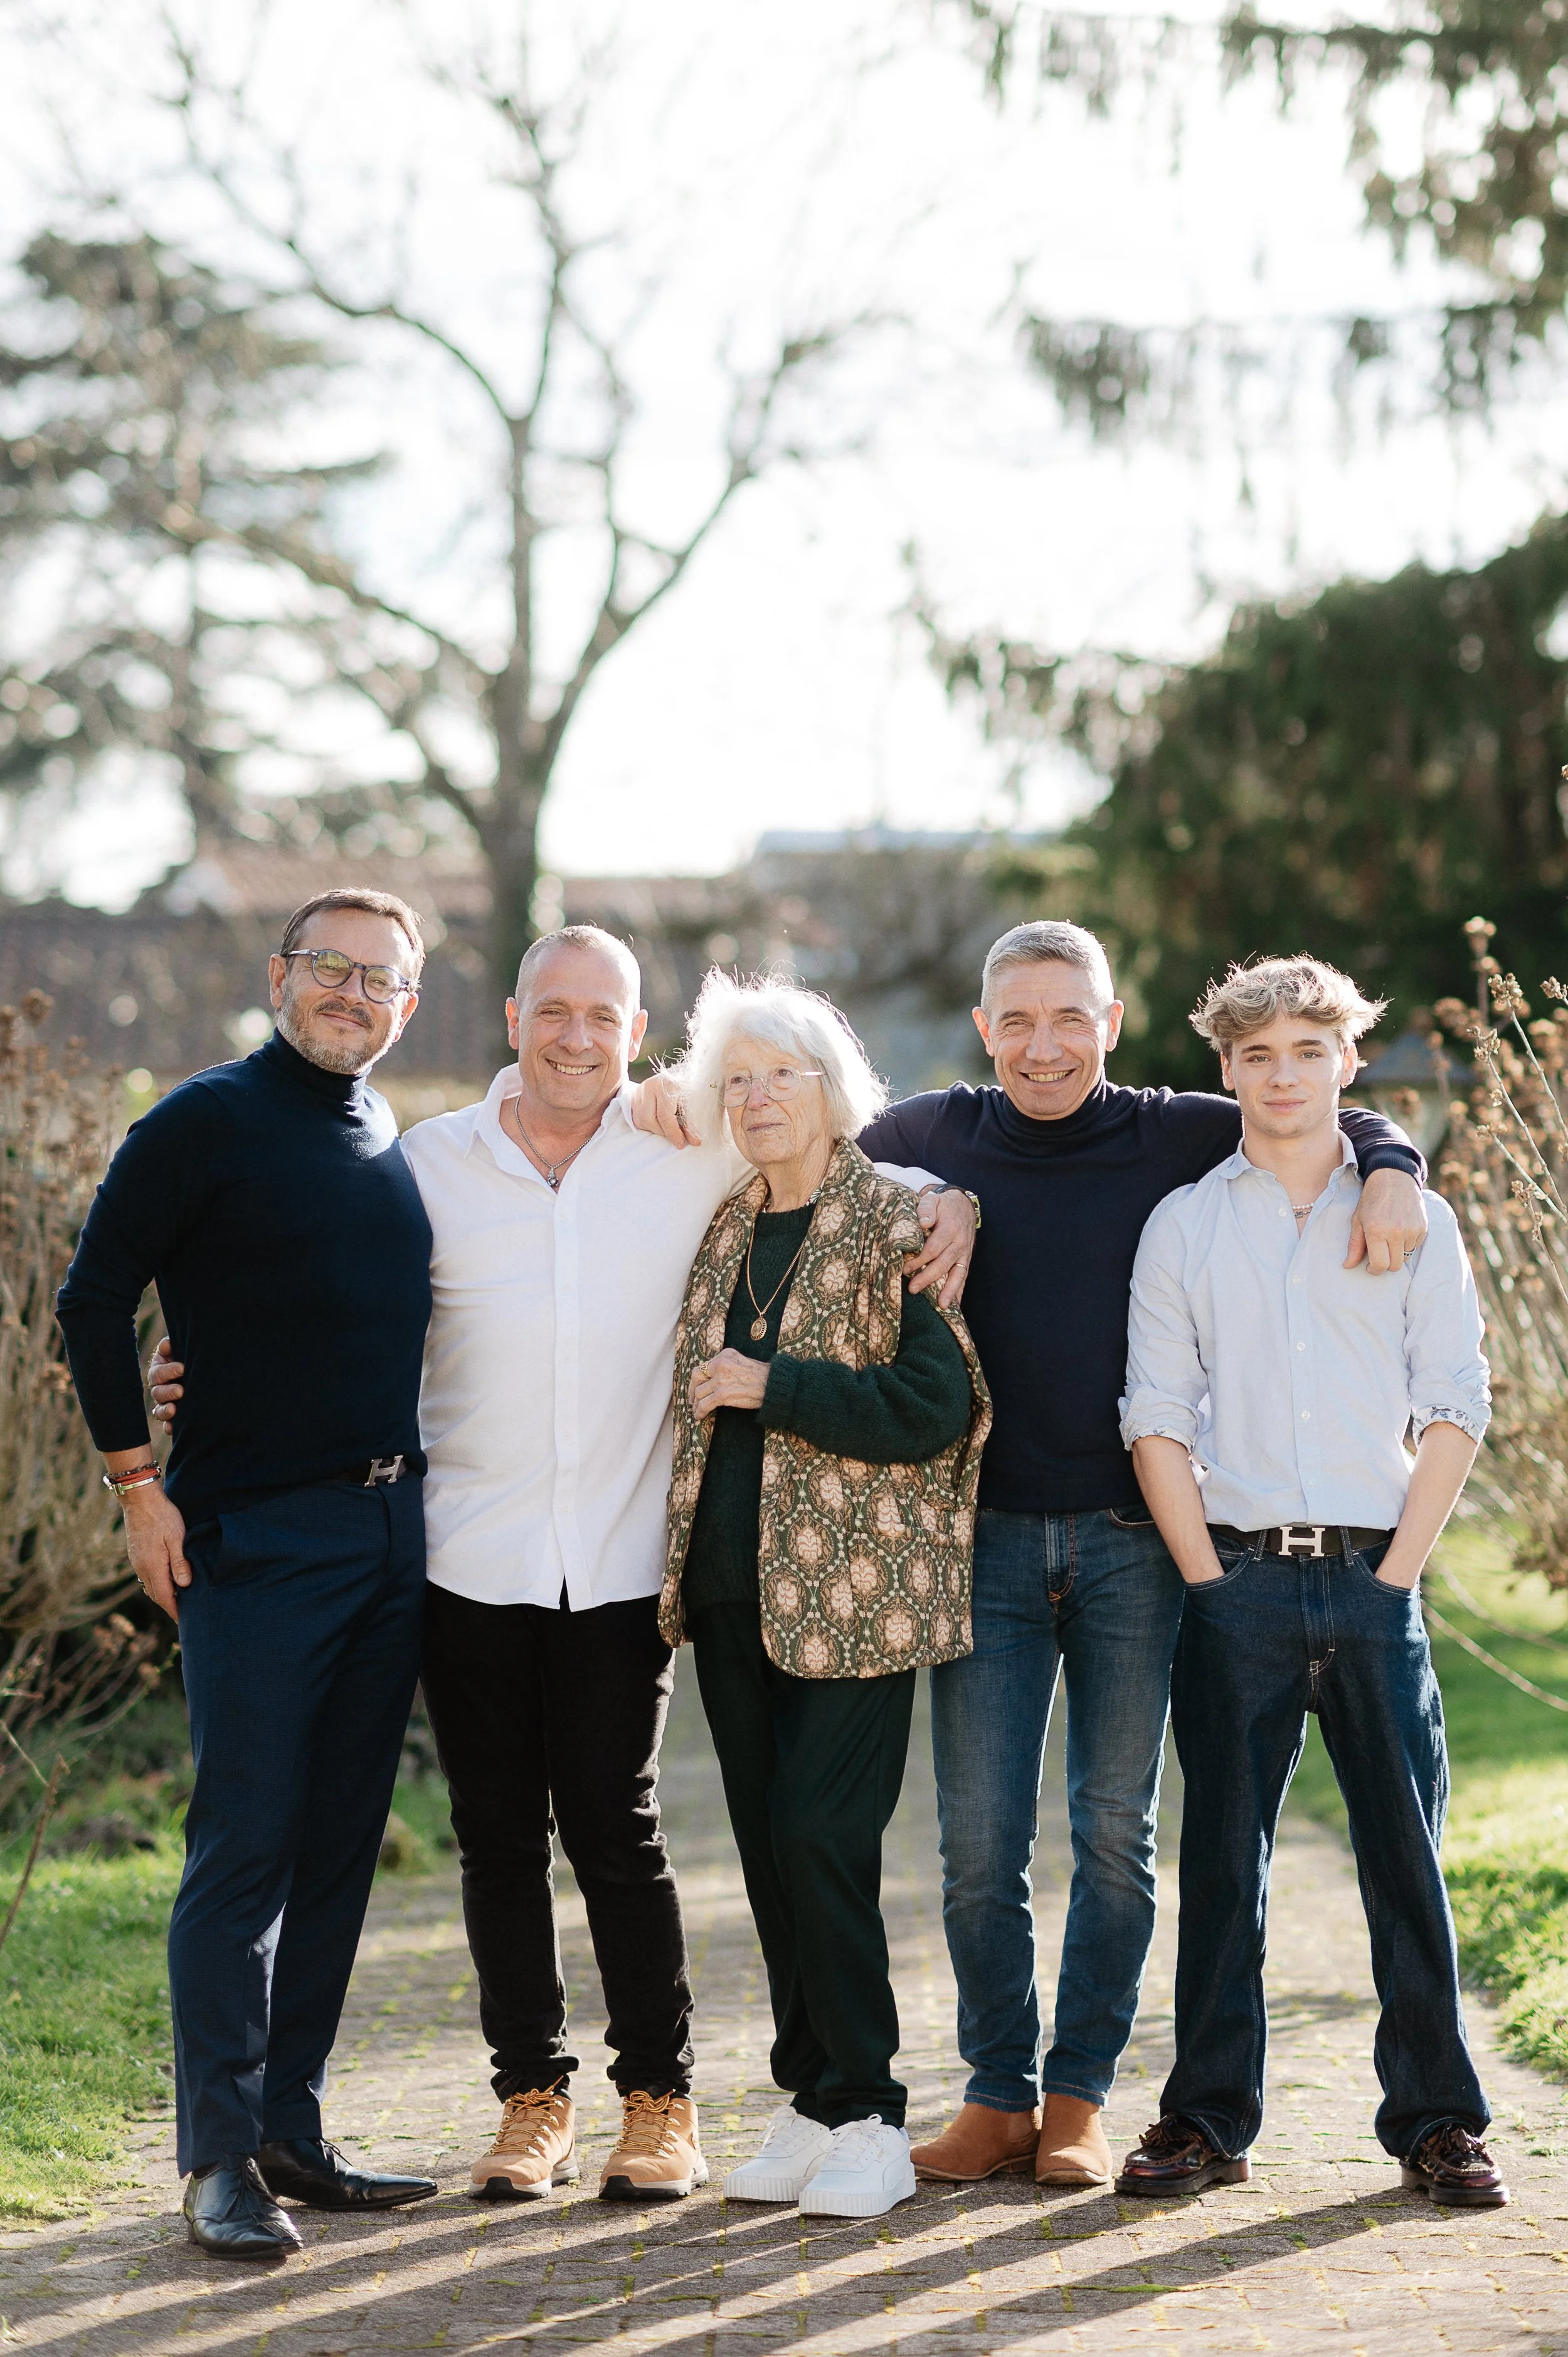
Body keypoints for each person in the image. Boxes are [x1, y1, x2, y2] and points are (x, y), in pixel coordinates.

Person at [156, 927, 975, 2205]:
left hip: (614, 1556)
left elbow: (837, 1152)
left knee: (616, 1833)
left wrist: (952, 1200)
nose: (577, 1036)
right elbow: (307, 1287)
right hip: (462, 1555)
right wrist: (194, 1369)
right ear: (511, 1018)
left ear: (636, 1032)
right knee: (494, 1840)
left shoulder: (684, 1148)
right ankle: (529, 2101)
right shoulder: (426, 1163)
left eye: (604, 1015)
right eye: (555, 1010)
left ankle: (660, 2101)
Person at [847, 922, 1430, 2189]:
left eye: (1070, 1018)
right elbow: (810, 1161)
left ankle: (1076, 2098)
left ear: (1109, 1025)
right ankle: (996, 2092)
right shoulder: (929, 1132)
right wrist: (928, 1197)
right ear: (982, 1027)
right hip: (983, 1542)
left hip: (1135, 1547)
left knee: (1115, 1832)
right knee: (976, 1844)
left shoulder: (1175, 1129)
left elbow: (1309, 1118)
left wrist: (1392, 1152)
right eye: (1017, 1020)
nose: (1043, 1044)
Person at [56, 890, 443, 2261]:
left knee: (340, 1844)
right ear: (279, 975)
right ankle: (217, 2158)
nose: (354, 993)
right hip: (254, 1539)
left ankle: (292, 2128)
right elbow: (93, 1299)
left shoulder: (389, 1134)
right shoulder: (204, 1120)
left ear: (409, 1003)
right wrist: (135, 1487)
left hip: (394, 1532)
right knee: (246, 1851)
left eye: (381, 979)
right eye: (331, 969)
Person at [1116, 955, 1506, 2208]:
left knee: (1405, 1862)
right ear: (1223, 1069)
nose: (1280, 1076)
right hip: (1230, 1587)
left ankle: (1437, 2123)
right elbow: (1153, 1418)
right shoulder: (1184, 1223)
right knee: (1222, 1864)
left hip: (1369, 1582)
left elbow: (1455, 1406)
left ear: (1346, 1062)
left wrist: (1396, 1576)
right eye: (1255, 1055)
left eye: (1305, 1051)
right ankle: (1205, 2119)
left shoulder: (1410, 1216)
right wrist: (1204, 1580)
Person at [658, 972, 990, 2220]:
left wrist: (769, 1384)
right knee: (766, 1853)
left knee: (821, 1840)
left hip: (854, 1597)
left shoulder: (893, 1217)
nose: (753, 1100)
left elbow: (937, 1407)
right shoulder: (729, 1224)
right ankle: (805, 2097)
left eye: (776, 1077)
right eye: (732, 1081)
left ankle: (868, 2114)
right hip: (732, 1592)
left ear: (829, 1089)